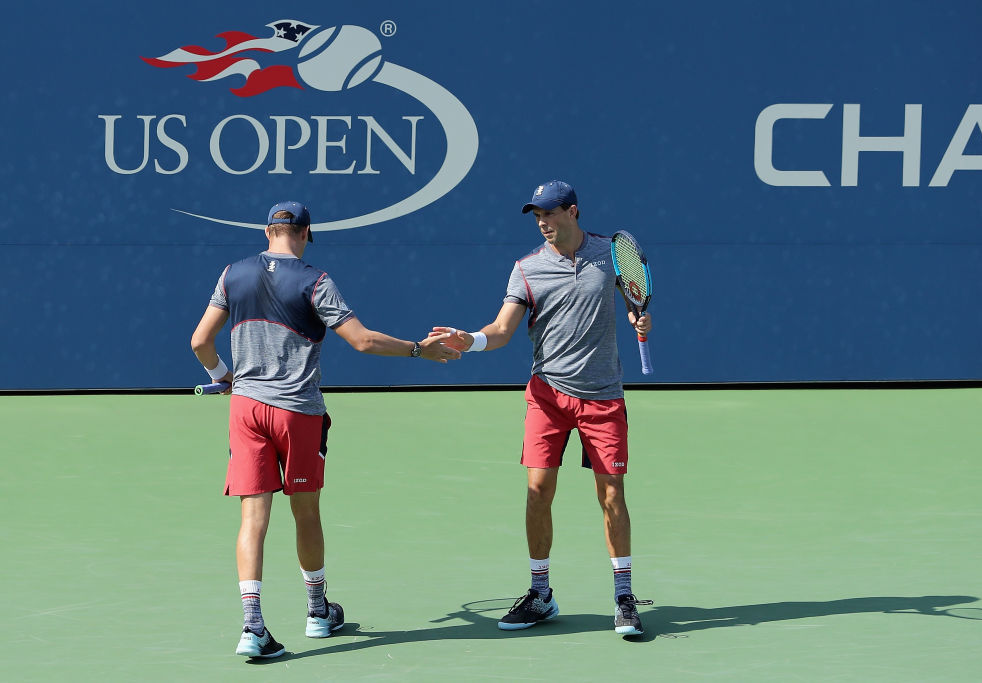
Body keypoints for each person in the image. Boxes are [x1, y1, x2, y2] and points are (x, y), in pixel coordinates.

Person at [191, 201, 460, 658]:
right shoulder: (315, 281)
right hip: (297, 413)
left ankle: (252, 627)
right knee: (306, 512)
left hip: (246, 410)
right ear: (305, 234)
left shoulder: (231, 274)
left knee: (252, 519)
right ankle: (318, 612)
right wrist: (419, 349)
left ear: (267, 232)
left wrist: (224, 376)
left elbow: (200, 341)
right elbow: (363, 341)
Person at [432, 181, 654, 636]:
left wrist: (639, 316)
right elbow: (501, 330)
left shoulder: (610, 254)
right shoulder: (527, 268)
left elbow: (632, 299)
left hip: (602, 395)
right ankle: (540, 594)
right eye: (537, 216)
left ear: (572, 211)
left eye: (549, 214)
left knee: (612, 494)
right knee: (537, 491)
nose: (542, 223)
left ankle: (624, 596)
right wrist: (470, 341)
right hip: (548, 395)